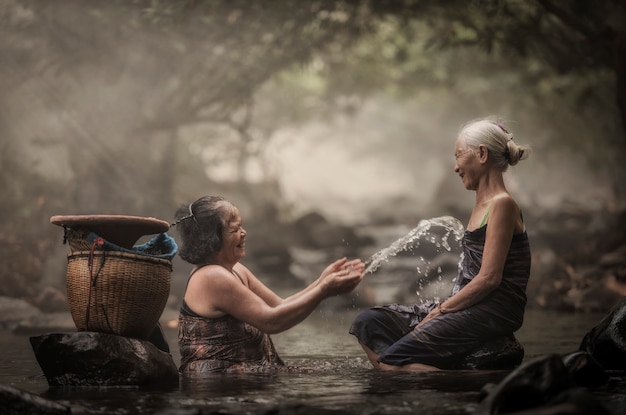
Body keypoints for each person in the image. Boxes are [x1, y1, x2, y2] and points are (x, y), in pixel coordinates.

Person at [350, 117, 531, 371]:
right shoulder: (481, 204)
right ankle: (427, 370)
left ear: (481, 154)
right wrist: (442, 309)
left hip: (493, 309)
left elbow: (489, 278)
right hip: (468, 304)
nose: (456, 167)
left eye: (458, 156)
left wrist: (440, 311)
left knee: (390, 364)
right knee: (369, 322)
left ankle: (451, 382)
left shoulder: (502, 204)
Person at [173, 195, 365, 373]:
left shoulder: (236, 270)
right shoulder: (211, 276)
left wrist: (322, 282)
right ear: (212, 239)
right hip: (218, 387)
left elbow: (278, 305)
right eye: (234, 229)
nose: (244, 233)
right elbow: (271, 321)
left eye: (242, 226)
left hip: (245, 380)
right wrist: (323, 290)